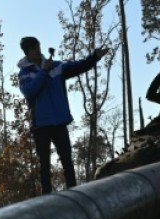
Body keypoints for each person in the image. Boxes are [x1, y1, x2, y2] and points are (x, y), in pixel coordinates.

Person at [18, 36, 108, 194]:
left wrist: (94, 57)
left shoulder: (57, 67)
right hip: (41, 125)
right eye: (33, 49)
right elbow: (30, 91)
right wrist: (44, 71)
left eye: (38, 47)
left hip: (59, 122)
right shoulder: (24, 74)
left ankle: (74, 196)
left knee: (68, 162)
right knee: (44, 165)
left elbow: (78, 66)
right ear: (27, 53)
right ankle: (46, 200)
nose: (37, 51)